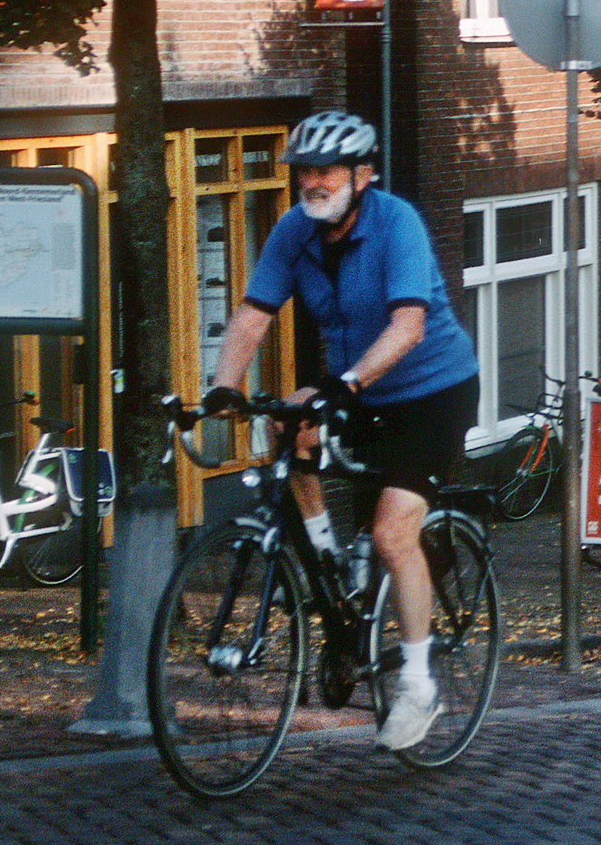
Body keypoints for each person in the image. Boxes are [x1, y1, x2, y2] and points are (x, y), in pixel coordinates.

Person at [204, 111, 480, 752]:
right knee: (292, 423)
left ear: (363, 174)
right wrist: (222, 386)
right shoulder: (294, 231)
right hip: (355, 384)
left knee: (390, 533)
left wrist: (345, 384)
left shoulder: (396, 224)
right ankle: (328, 567)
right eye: (304, 171)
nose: (312, 182)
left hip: (430, 394)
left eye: (326, 170)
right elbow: (252, 314)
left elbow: (408, 327)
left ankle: (418, 685)